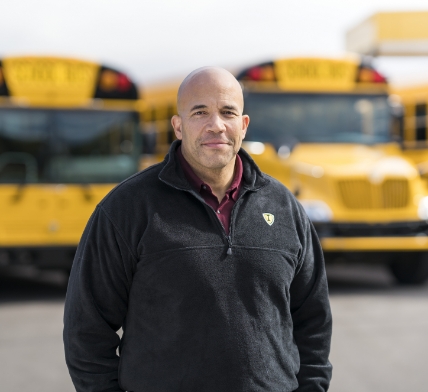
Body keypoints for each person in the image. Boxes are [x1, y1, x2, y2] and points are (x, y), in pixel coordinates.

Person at [63, 67, 332, 392]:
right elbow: (86, 329)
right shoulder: (126, 209)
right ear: (178, 126)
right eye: (200, 112)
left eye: (227, 112)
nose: (215, 125)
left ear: (243, 125)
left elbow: (313, 319)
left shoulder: (284, 207)